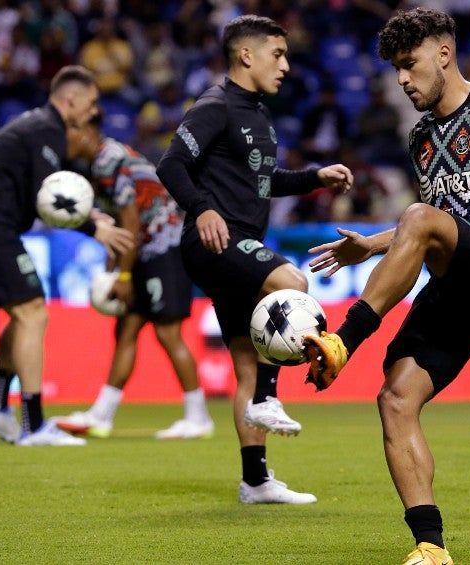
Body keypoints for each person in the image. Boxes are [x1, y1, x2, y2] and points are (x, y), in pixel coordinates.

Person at [301, 8, 470, 562]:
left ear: (444, 55)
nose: (402, 80)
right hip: (460, 281)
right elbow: (435, 223)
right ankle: (431, 547)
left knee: (420, 216)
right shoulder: (422, 139)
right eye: (396, 70)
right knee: (396, 398)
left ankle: (345, 340)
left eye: (410, 65)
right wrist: (372, 245)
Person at [156, 14, 353, 504]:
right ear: (246, 55)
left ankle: (255, 481)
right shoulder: (215, 105)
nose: (285, 65)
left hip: (237, 243)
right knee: (293, 283)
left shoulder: (259, 115)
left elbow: (263, 183)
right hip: (216, 241)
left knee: (247, 361)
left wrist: (313, 177)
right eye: (278, 54)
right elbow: (170, 164)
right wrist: (200, 208)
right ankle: (268, 397)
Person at [0, 65, 134, 446]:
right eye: (91, 103)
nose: (93, 112)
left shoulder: (36, 126)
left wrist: (90, 214)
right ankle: (34, 425)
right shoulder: (47, 129)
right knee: (34, 311)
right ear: (70, 99)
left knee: (23, 313)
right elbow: (48, 196)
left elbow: (48, 198)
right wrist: (95, 228)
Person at [50, 113, 215, 440]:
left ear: (86, 133)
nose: (64, 141)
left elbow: (131, 221)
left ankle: (199, 418)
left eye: (68, 132)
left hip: (165, 246)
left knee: (168, 333)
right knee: (126, 330)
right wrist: (115, 266)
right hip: (147, 248)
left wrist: (124, 274)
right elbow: (122, 222)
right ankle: (101, 415)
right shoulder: (102, 160)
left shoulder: (107, 162)